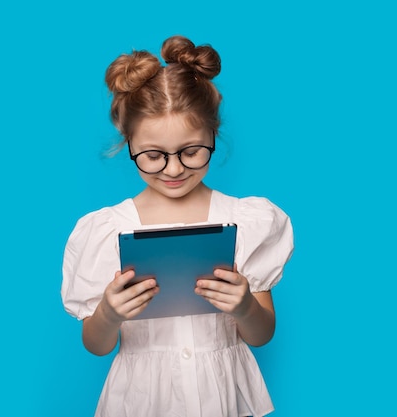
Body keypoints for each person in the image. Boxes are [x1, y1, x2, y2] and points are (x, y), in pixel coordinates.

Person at [61, 35, 294, 417]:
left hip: (220, 395)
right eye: (153, 156)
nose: (173, 169)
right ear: (128, 143)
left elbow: (262, 333)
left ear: (213, 135)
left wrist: (245, 305)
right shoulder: (104, 230)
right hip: (140, 398)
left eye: (191, 151)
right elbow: (96, 344)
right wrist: (109, 313)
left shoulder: (247, 221)